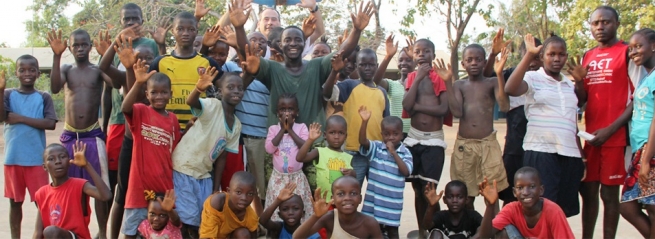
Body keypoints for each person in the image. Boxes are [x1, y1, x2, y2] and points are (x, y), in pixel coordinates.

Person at [236, 1, 373, 127]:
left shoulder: (317, 65)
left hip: (313, 142)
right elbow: (248, 50)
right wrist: (239, 27)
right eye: (288, 40)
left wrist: (357, 30)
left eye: (298, 39)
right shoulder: (272, 68)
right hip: (280, 144)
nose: (293, 43)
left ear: (304, 43)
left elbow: (342, 52)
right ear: (280, 44)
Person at [574, 6, 645, 238]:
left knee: (609, 195)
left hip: (616, 136)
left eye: (606, 22)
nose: (600, 27)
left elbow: (637, 97)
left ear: (616, 24)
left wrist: (612, 129)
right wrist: (578, 83)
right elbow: (582, 99)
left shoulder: (627, 52)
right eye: (595, 23)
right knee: (588, 191)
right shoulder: (587, 56)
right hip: (592, 137)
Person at [505, 34, 585, 217]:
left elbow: (576, 109)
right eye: (551, 54)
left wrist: (579, 82)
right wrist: (528, 55)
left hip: (569, 153)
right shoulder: (533, 78)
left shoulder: (567, 83)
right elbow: (510, 89)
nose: (557, 59)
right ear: (542, 57)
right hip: (541, 151)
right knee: (542, 208)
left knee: (562, 211)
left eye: (561, 54)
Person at [47, 28, 113, 239]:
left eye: (84, 44)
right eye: (76, 45)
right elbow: (55, 87)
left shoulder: (97, 70)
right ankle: (75, 232)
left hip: (92, 135)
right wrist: (56, 56)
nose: (80, 48)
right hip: (69, 136)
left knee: (99, 189)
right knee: (71, 189)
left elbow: (116, 83)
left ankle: (102, 233)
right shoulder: (66, 68)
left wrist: (107, 57)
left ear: (90, 46)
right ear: (69, 46)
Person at [436, 42, 510, 210]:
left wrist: (499, 74)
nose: (474, 63)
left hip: (488, 145)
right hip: (465, 146)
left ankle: (493, 231)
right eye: (469, 60)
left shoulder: (492, 82)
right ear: (463, 64)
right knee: (466, 195)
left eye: (478, 59)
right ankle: (469, 230)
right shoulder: (460, 85)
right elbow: (457, 112)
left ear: (485, 62)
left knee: (491, 193)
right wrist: (448, 82)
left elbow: (504, 106)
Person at [171, 70, 243, 236]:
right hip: (184, 168)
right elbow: (192, 101)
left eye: (240, 88)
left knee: (203, 217)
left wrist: (215, 187)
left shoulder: (236, 125)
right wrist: (198, 88)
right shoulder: (212, 105)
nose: (236, 91)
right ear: (220, 91)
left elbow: (222, 158)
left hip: (204, 175)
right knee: (187, 219)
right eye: (230, 87)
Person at [121, 59, 181, 239]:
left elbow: (175, 148)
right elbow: (125, 107)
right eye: (154, 92)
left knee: (165, 232)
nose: (159, 96)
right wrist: (138, 82)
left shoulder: (173, 120)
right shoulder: (140, 111)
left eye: (164, 92)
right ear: (147, 94)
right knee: (130, 232)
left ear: (171, 94)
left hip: (163, 187)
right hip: (138, 188)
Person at [482, 29, 542, 205]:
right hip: (515, 145)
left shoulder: (546, 78)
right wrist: (493, 54)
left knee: (535, 192)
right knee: (510, 194)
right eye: (527, 56)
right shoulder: (509, 74)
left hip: (539, 147)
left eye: (536, 57)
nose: (532, 62)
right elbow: (486, 76)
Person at [0, 56, 57, 239]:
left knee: (42, 203)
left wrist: (20, 118)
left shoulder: (43, 97)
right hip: (13, 158)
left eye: (31, 70)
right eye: (22, 70)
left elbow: (50, 123)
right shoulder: (8, 94)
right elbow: (2, 116)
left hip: (36, 160)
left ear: (38, 74)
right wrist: (0, 91)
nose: (27, 73)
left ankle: (41, 235)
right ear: (16, 73)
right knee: (14, 204)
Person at [401, 38, 450, 237]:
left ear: (433, 55)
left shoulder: (439, 77)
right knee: (417, 187)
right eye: (418, 51)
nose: (421, 54)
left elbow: (442, 109)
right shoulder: (412, 77)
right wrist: (418, 78)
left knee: (429, 188)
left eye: (426, 51)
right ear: (413, 56)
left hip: (433, 140)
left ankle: (434, 228)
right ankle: (422, 229)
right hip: (414, 137)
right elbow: (406, 104)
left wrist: (418, 108)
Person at [323, 48, 390, 186]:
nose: (367, 68)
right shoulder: (349, 85)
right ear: (356, 67)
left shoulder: (382, 92)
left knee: (376, 191)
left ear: (377, 66)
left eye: (371, 65)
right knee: (350, 190)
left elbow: (386, 122)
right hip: (353, 151)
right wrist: (334, 71)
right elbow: (328, 93)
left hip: (375, 153)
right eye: (362, 64)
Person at [148, 11, 223, 130]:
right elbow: (145, 93)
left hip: (198, 128)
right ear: (173, 31)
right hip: (166, 127)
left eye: (191, 29)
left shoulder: (208, 62)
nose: (185, 33)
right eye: (180, 29)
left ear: (196, 32)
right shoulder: (160, 62)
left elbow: (226, 87)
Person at [34, 142, 112, 239]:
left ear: (69, 161)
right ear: (45, 166)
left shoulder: (80, 185)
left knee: (51, 231)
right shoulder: (41, 193)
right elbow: (38, 232)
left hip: (75, 237)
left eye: (62, 157)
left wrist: (87, 165)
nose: (58, 161)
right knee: (49, 232)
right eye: (51, 159)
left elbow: (106, 196)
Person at [619, 28, 655, 238]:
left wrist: (647, 158)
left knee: (651, 208)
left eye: (638, 46)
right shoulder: (646, 77)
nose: (633, 52)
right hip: (641, 149)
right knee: (629, 206)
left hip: (649, 151)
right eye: (631, 48)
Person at [358, 108, 412, 239]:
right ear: (381, 134)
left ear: (402, 135)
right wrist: (364, 122)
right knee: (370, 230)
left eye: (395, 134)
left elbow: (405, 172)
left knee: (392, 231)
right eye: (387, 134)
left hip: (392, 204)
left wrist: (393, 153)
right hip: (374, 201)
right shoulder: (377, 148)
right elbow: (363, 141)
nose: (391, 137)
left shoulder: (405, 153)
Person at [478, 167, 575, 238]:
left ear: (541, 190)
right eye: (520, 188)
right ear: (514, 192)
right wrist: (490, 205)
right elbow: (485, 236)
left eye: (532, 187)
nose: (526, 192)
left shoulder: (554, 212)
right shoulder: (511, 209)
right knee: (502, 233)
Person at [264, 93, 314, 222]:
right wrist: (282, 130)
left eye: (290, 109)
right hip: (278, 179)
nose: (287, 113)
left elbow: (305, 147)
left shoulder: (301, 127)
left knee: (298, 209)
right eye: (283, 109)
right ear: (277, 113)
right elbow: (269, 149)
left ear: (296, 112)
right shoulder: (273, 129)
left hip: (297, 178)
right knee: (278, 209)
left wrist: (290, 130)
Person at [292, 176, 384, 238]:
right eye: (341, 194)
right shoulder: (329, 218)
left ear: (360, 199)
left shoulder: (370, 223)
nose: (347, 198)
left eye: (353, 193)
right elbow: (297, 237)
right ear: (333, 200)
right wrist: (316, 216)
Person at [297, 117, 356, 199]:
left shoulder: (349, 158)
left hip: (342, 202)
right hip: (323, 201)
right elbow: (300, 158)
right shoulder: (319, 151)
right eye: (332, 133)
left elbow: (352, 181)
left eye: (341, 133)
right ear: (325, 135)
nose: (336, 137)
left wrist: (353, 174)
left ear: (346, 136)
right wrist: (310, 140)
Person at [199, 171, 263, 239]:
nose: (244, 198)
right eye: (238, 192)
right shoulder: (217, 202)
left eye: (250, 194)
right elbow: (207, 235)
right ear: (229, 191)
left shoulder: (251, 216)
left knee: (243, 234)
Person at [256, 0, 325, 59]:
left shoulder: (293, 44)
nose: (270, 23)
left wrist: (313, 8)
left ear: (280, 23)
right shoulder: (251, 44)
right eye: (266, 19)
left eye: (274, 19)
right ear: (258, 24)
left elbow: (318, 31)